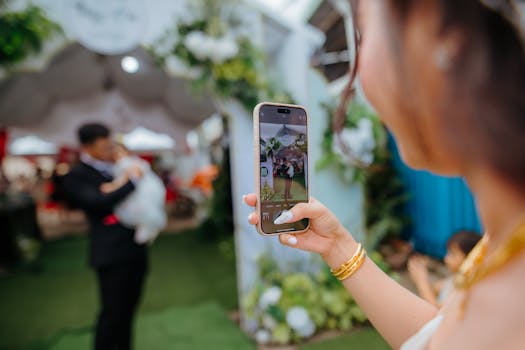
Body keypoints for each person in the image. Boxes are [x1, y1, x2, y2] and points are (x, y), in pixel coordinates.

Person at [244, 0, 525, 348]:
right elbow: (439, 338)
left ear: (439, 38)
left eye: (362, 33)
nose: (359, 74)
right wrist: (339, 248)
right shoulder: (502, 243)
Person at [63, 123, 147, 350]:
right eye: (104, 146)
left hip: (135, 248)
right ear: (87, 147)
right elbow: (97, 202)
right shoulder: (76, 175)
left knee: (129, 309)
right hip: (111, 254)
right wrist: (132, 181)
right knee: (112, 312)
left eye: (111, 145)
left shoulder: (116, 166)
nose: (110, 150)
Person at [100, 143, 167, 244]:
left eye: (119, 151)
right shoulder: (116, 166)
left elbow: (129, 175)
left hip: (142, 191)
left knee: (143, 209)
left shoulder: (126, 163)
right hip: (137, 193)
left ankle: (146, 228)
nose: (116, 154)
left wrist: (113, 186)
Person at [408, 231, 481, 307]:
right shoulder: (452, 280)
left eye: (452, 254)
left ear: (470, 259)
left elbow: (438, 312)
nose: (446, 258)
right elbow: (433, 290)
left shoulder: (464, 290)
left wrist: (421, 281)